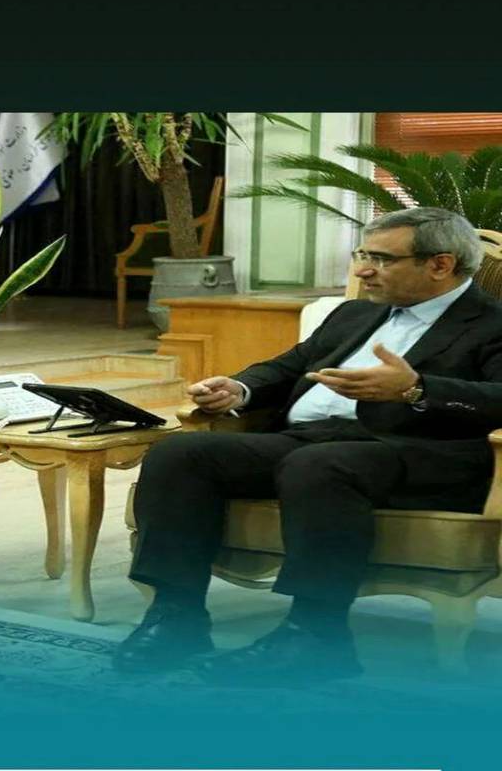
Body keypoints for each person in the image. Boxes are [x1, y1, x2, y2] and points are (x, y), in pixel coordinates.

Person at [116, 207, 502, 684]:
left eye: (381, 259)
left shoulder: (492, 323)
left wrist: (417, 389)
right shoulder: (355, 313)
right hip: (310, 442)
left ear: (440, 265)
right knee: (180, 453)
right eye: (363, 255)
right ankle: (177, 617)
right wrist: (239, 388)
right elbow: (288, 366)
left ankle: (316, 635)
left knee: (322, 465)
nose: (363, 271)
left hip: (422, 452)